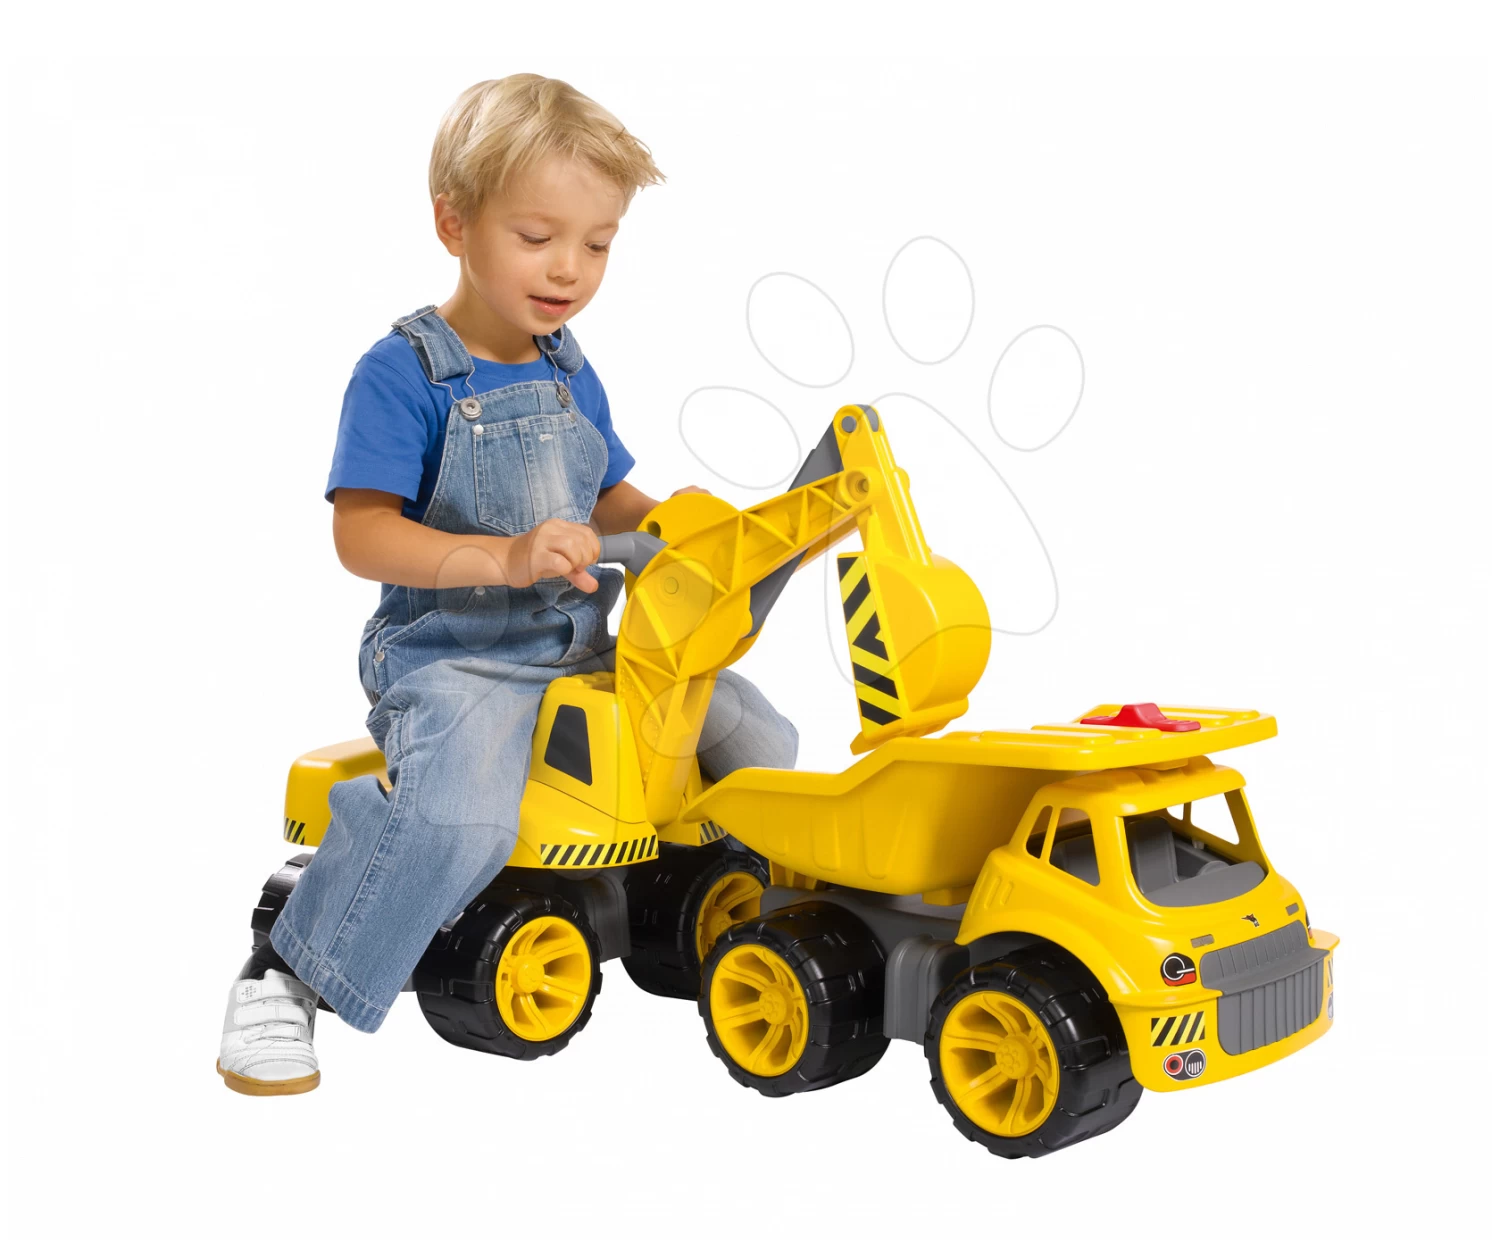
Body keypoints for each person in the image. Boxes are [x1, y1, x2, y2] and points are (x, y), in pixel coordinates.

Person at [216, 74, 799, 1095]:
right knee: (463, 818)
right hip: (457, 659)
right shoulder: (402, 375)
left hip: (583, 649)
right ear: (454, 223)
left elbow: (604, 494)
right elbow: (361, 533)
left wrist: (673, 523)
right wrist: (501, 556)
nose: (570, 268)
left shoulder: (569, 368)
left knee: (756, 737)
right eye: (538, 237)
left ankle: (730, 913)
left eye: (599, 244)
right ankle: (288, 973)